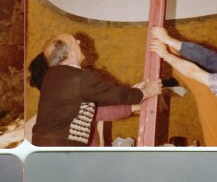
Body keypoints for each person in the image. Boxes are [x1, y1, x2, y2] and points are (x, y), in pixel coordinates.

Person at [31, 33, 162, 146]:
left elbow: (99, 98)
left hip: (46, 147)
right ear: (69, 53)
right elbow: (111, 95)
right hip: (60, 149)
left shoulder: (52, 77)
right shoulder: (78, 77)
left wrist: (132, 92)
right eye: (74, 41)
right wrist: (147, 92)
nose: (79, 41)